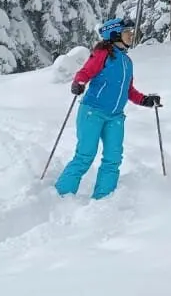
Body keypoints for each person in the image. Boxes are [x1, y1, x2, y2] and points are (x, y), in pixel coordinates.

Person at [54, 17, 162, 200]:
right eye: (127, 32)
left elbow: (128, 90)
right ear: (114, 34)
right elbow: (85, 72)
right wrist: (78, 83)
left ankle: (103, 199)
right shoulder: (103, 54)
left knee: (113, 158)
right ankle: (61, 195)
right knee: (85, 156)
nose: (131, 35)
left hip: (115, 117)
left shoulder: (127, 62)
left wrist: (145, 100)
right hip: (92, 112)